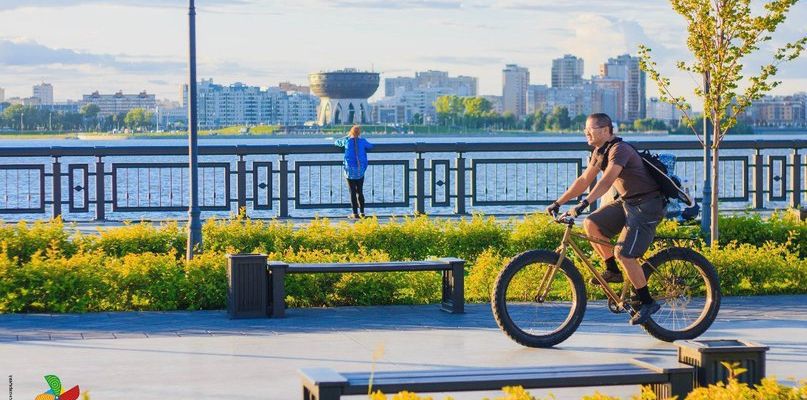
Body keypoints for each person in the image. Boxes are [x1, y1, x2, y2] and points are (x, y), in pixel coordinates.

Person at [545, 113, 665, 325]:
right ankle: (612, 271)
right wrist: (558, 202)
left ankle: (647, 302)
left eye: (589, 129)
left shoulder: (620, 150)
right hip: (628, 202)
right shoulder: (599, 152)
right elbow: (584, 180)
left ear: (604, 130)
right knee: (591, 223)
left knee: (625, 253)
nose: (585, 133)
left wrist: (583, 203)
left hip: (647, 204)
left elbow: (608, 180)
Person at [335, 125, 374, 218]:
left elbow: (336, 142)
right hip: (360, 169)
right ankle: (362, 212)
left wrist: (347, 136)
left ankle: (355, 213)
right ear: (359, 133)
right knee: (360, 191)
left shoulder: (347, 141)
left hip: (349, 170)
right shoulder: (362, 141)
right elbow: (371, 146)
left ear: (350, 132)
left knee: (352, 191)